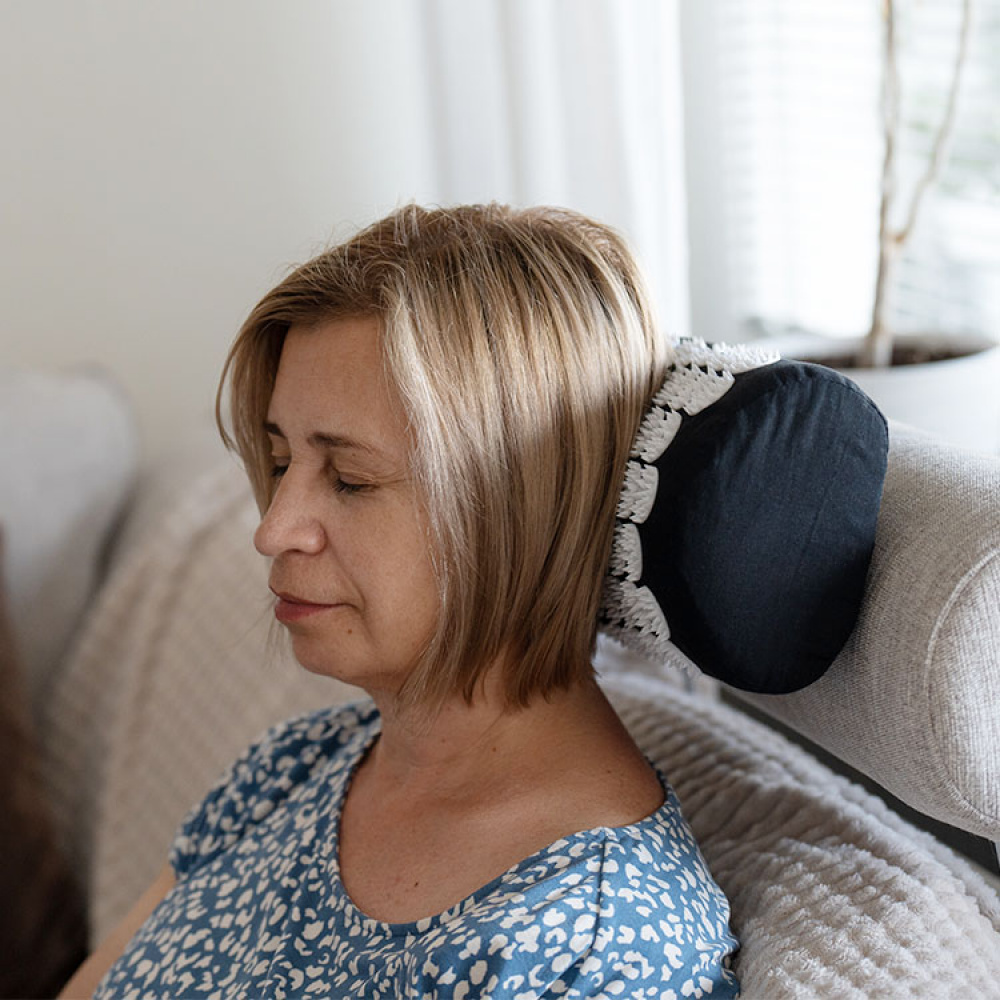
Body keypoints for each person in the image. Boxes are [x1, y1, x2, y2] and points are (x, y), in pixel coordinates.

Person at [61, 204, 740, 998]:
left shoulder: (589, 951)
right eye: (281, 462)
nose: (274, 529)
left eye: (349, 479)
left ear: (513, 509)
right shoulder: (295, 768)